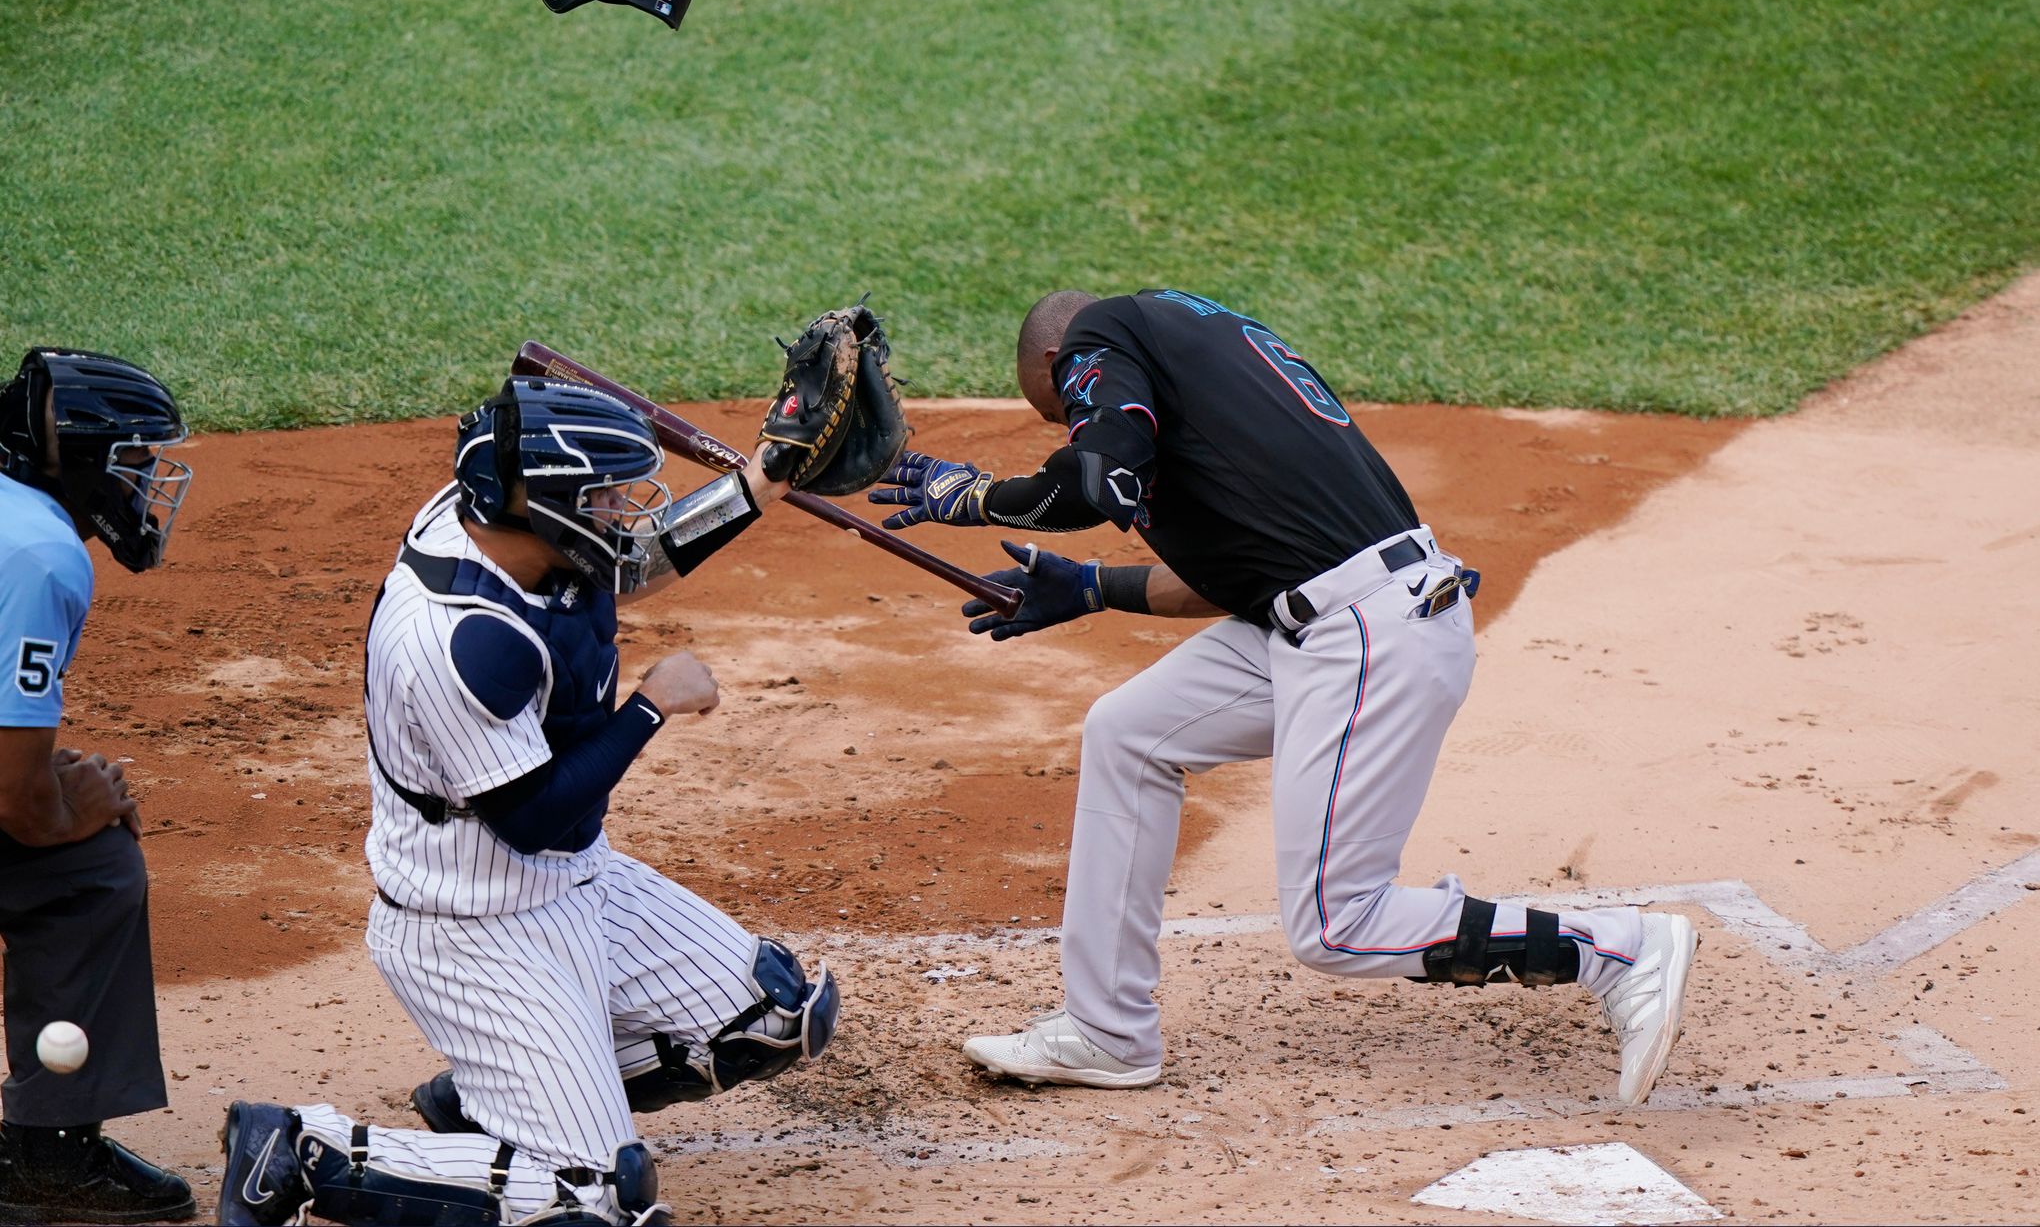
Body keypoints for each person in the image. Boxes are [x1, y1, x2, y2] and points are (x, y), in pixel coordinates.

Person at [868, 289, 1698, 1103]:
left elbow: (1093, 484)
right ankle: (1107, 1031)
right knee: (1128, 733)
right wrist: (1094, 589)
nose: (1075, 418)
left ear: (1060, 364)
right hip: (1326, 619)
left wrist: (972, 495)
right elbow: (1251, 568)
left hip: (1368, 636)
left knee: (1340, 925)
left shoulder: (1097, 334)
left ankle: (1619, 951)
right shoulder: (1199, 352)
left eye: (1062, 408)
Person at [217, 377, 837, 1226]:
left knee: (773, 1012)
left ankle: (493, 1107)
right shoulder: (454, 639)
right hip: (474, 927)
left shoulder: (512, 523)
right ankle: (299, 1152)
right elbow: (531, 818)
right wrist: (651, 707)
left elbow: (635, 556)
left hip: (580, 882)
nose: (624, 508)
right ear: (543, 508)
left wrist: (769, 475)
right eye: (605, 496)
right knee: (597, 1202)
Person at [0, 348, 198, 1223]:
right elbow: (19, 807)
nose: (147, 481)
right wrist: (61, 809)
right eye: (134, 460)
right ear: (79, 460)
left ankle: (49, 1149)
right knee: (90, 871)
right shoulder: (42, 552)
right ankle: (50, 1158)